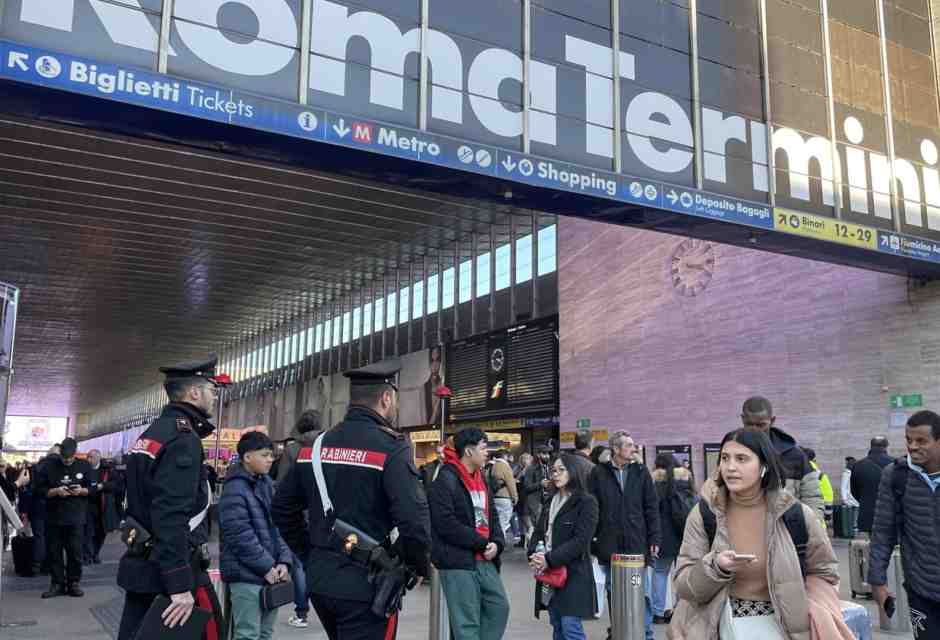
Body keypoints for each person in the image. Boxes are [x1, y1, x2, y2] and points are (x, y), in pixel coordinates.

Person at [272, 359, 431, 640]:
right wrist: (417, 565)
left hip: (321, 581)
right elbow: (413, 521)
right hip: (369, 584)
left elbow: (282, 508)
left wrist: (310, 554)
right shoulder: (392, 448)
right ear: (385, 398)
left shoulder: (316, 446)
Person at [669, 429, 840, 639]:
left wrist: (811, 607)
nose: (730, 467)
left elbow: (825, 572)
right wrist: (716, 567)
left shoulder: (795, 515)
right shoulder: (705, 514)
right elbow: (684, 585)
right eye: (724, 458)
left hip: (784, 628)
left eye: (742, 459)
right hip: (718, 627)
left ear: (764, 466)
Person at [116, 357, 229, 640]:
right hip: (171, 572)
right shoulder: (183, 439)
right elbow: (171, 515)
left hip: (146, 565)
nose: (215, 396)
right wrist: (179, 584)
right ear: (194, 393)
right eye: (211, 389)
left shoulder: (154, 433)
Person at [428, 428, 509, 640]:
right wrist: (481, 543)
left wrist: (498, 544)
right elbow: (445, 524)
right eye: (483, 448)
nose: (487, 453)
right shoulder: (445, 479)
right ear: (469, 451)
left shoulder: (482, 478)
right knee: (466, 624)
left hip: (486, 558)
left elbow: (493, 516)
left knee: (499, 608)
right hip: (458, 561)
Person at [868, 410, 940, 638]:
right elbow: (882, 532)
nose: (913, 446)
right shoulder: (896, 475)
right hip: (922, 589)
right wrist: (878, 582)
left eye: (921, 441)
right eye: (909, 440)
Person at [588, 431, 660, 640]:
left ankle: (645, 634)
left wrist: (655, 538)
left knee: (641, 591)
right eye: (629, 445)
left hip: (637, 543)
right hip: (609, 544)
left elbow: (651, 508)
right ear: (616, 449)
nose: (634, 448)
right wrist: (593, 541)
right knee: (614, 591)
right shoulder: (598, 473)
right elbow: (592, 509)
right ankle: (619, 630)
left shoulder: (641, 471)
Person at [220, 431, 292, 640]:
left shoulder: (266, 484)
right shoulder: (234, 489)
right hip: (246, 576)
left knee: (265, 634)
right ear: (247, 457)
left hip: (271, 574)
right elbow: (239, 536)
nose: (271, 459)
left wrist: (284, 561)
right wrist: (266, 566)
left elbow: (279, 527)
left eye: (271, 455)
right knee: (247, 634)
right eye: (265, 455)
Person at [528, 453, 599, 640]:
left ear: (573, 472)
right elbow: (538, 532)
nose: (556, 474)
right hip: (549, 574)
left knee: (570, 626)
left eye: (562, 470)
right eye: (554, 470)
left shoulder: (586, 502)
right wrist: (534, 553)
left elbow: (581, 540)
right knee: (557, 624)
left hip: (573, 573)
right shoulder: (550, 500)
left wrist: (549, 559)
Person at [273, 409, 322, 629]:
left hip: (298, 516)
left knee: (300, 565)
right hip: (323, 516)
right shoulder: (327, 447)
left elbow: (282, 486)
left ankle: (301, 612)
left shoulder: (292, 450)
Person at [740, 396, 825, 519]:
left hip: (787, 533)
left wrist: (809, 529)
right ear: (742, 419)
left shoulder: (795, 455)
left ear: (772, 420)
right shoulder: (732, 454)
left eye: (761, 425)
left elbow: (813, 497)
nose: (755, 430)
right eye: (749, 424)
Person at [33, 438, 93, 598]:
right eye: (64, 458)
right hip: (54, 516)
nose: (67, 461)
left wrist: (82, 491)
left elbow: (93, 489)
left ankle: (74, 582)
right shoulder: (48, 466)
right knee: (54, 552)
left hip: (76, 516)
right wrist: (55, 491)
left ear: (75, 454)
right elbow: (38, 490)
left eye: (70, 458)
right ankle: (57, 583)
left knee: (75, 551)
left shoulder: (84, 466)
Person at [651, 453, 695, 625]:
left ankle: (658, 612)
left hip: (663, 537)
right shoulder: (686, 479)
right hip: (686, 534)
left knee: (660, 573)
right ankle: (681, 611)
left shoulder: (655, 483)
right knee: (683, 573)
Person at [850, 436, 893, 536]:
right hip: (891, 514)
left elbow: (854, 491)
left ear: (871, 446)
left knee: (871, 547)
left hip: (867, 516)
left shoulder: (858, 465)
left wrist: (866, 501)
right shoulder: (895, 464)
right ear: (886, 446)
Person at [29, 445, 60, 575]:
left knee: (39, 536)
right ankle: (48, 566)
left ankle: (36, 565)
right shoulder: (60, 467)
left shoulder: (36, 467)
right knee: (51, 537)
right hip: (55, 507)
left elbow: (32, 488)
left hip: (38, 506)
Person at [485, 449, 518, 544]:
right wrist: (515, 497)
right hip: (504, 497)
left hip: (493, 497)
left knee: (496, 522)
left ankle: (494, 542)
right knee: (503, 523)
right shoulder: (505, 466)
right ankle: (499, 544)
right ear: (505, 456)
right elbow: (511, 483)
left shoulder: (490, 466)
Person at [522, 445, 553, 544]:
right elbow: (527, 487)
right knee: (539, 528)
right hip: (536, 502)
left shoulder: (550, 467)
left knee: (546, 527)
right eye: (544, 453)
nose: (547, 456)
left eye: (548, 454)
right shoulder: (531, 468)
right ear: (538, 454)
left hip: (548, 500)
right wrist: (540, 484)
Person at [840, 457, 859, 536]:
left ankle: (852, 531)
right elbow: (844, 487)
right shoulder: (849, 473)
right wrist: (844, 499)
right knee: (852, 518)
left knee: (852, 518)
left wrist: (844, 499)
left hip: (851, 499)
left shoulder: (848, 473)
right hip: (851, 500)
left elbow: (843, 487)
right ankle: (851, 532)